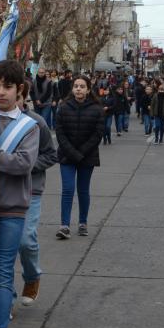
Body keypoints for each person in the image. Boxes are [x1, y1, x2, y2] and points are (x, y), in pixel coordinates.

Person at [0, 60, 39, 328]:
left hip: (11, 207)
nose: (1, 92)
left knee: (2, 271)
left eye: (7, 86)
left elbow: (23, 164)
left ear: (19, 90)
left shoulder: (29, 125)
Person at [18, 80, 58, 307]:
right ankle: (3, 302)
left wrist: (24, 165)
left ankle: (32, 277)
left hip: (30, 188)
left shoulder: (36, 122)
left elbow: (51, 155)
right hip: (0, 191)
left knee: (25, 241)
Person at [54, 75, 104, 239]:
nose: (78, 89)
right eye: (76, 86)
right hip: (67, 156)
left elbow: (97, 135)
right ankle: (64, 225)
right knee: (68, 189)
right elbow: (59, 132)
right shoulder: (63, 107)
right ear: (72, 89)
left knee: (83, 190)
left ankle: (83, 223)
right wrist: (72, 153)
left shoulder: (97, 109)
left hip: (86, 157)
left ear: (88, 89)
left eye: (82, 86)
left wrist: (81, 153)